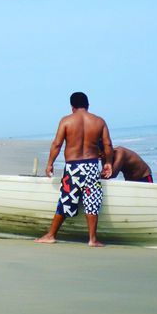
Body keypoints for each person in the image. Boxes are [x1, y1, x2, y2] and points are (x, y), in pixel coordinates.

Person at [36, 91, 113, 247]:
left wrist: (50, 163)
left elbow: (57, 144)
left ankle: (51, 235)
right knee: (93, 200)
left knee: (66, 199)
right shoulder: (99, 121)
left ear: (72, 107)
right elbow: (107, 145)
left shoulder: (66, 121)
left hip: (73, 167)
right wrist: (108, 163)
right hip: (91, 165)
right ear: (88, 105)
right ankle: (92, 239)